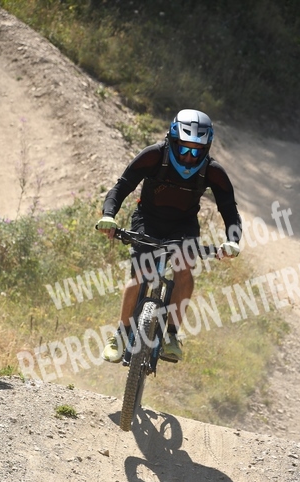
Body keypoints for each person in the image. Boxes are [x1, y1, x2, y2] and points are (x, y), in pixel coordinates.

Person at [96, 108, 242, 363]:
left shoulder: (213, 171)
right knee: (141, 273)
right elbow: (121, 187)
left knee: (184, 268)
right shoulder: (153, 155)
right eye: (184, 148)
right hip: (147, 219)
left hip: (183, 225)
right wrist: (109, 216)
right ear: (172, 141)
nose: (188, 157)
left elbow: (229, 208)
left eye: (196, 151)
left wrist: (232, 240)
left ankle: (171, 335)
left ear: (206, 149)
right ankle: (120, 335)